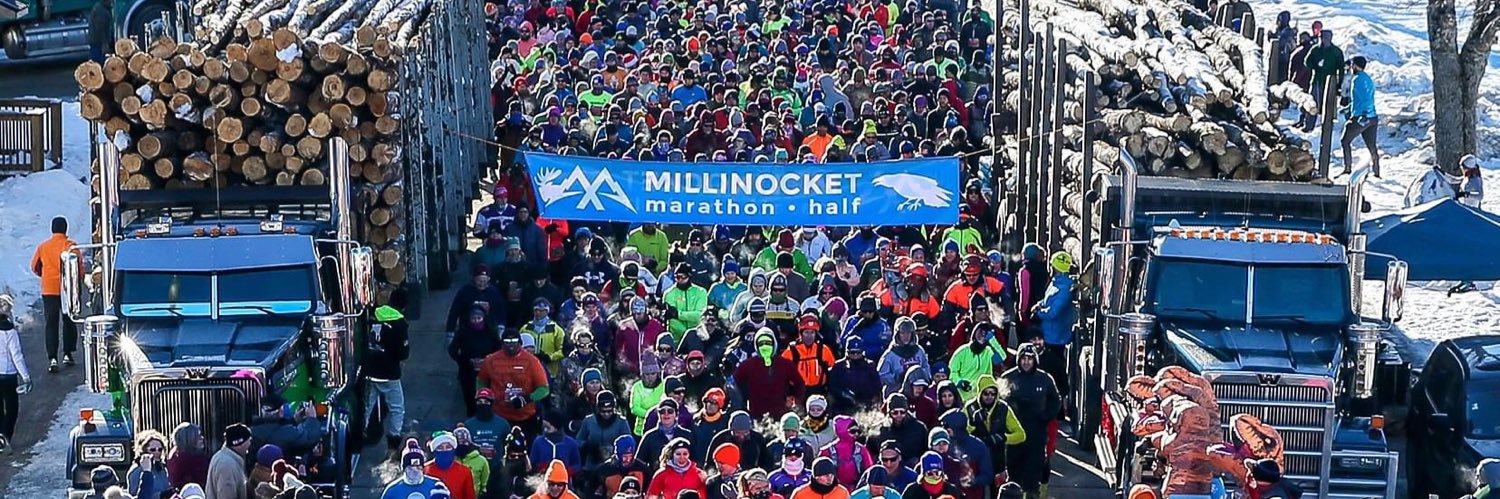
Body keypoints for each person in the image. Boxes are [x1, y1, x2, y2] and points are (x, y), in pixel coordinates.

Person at [999, 345, 1060, 499]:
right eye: (1023, 359)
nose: (1026, 362)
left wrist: (1047, 415)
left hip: (1036, 433)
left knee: (1033, 476)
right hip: (1014, 434)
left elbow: (1055, 399)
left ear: (1035, 360)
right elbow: (998, 402)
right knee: (1013, 476)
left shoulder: (1045, 379)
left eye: (1029, 359)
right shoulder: (1008, 377)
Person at [365, 288, 411, 458]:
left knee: (367, 406)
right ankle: (393, 444)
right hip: (389, 373)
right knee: (397, 408)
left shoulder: (373, 314)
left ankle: (358, 434)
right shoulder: (399, 323)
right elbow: (403, 353)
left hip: (371, 370)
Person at [477, 329, 550, 434]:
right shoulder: (490, 360)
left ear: (520, 343)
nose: (511, 346)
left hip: (526, 416)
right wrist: (484, 397)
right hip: (499, 416)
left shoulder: (532, 361)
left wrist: (526, 399)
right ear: (502, 343)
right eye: (507, 342)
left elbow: (544, 388)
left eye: (514, 342)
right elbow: (481, 381)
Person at [31, 215, 78, 373]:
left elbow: (34, 266)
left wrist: (44, 275)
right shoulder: (71, 246)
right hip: (67, 289)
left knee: (51, 323)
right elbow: (79, 268)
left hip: (49, 289)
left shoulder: (43, 247)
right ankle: (68, 353)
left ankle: (52, 357)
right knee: (68, 320)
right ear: (66, 229)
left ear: (52, 229)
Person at [732, 328, 805, 418]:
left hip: (780, 415)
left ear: (774, 344)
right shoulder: (748, 364)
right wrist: (742, 405)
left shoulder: (785, 363)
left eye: (768, 343)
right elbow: (733, 383)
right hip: (756, 416)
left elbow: (800, 383)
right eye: (761, 344)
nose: (765, 347)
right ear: (756, 346)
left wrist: (794, 400)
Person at [1340, 56, 1379, 177]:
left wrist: (1364, 114)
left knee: (1345, 141)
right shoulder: (1367, 78)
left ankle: (1347, 169)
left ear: (1356, 66)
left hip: (1361, 117)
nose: (1351, 67)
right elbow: (1361, 99)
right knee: (1371, 145)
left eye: (1352, 64)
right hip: (1372, 117)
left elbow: (1365, 98)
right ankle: (1376, 171)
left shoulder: (1357, 80)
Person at [1301, 29, 1345, 132]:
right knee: (1313, 103)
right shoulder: (1315, 49)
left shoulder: (1336, 51)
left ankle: (1328, 126)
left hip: (1330, 82)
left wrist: (1339, 83)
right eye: (1321, 38)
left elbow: (1341, 68)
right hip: (1317, 80)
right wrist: (1315, 66)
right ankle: (1309, 125)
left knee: (1329, 105)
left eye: (1325, 38)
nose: (1323, 40)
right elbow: (1307, 61)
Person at [0, 300, 29, 451]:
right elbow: (16, 355)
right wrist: (26, 377)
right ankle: (5, 435)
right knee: (11, 408)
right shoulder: (10, 332)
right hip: (8, 375)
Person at [206, 423, 252, 499]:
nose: (250, 444)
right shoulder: (227, 465)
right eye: (249, 440)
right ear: (240, 443)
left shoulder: (223, 457)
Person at [427, 432, 478, 499]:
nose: (444, 450)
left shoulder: (465, 471)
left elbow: (470, 497)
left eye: (448, 447)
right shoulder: (425, 470)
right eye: (440, 447)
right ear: (434, 450)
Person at [127, 430, 171, 499]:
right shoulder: (136, 470)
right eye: (153, 450)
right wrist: (160, 495)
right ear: (144, 450)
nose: (157, 452)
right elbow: (135, 496)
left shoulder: (162, 468)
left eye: (160, 449)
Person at [167, 422, 210, 488]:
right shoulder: (196, 460)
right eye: (197, 436)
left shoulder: (174, 456)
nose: (202, 438)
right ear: (188, 439)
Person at [453, 426, 491, 499]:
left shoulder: (481, 461)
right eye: (459, 442)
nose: (462, 445)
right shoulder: (450, 460)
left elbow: (485, 485)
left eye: (464, 442)